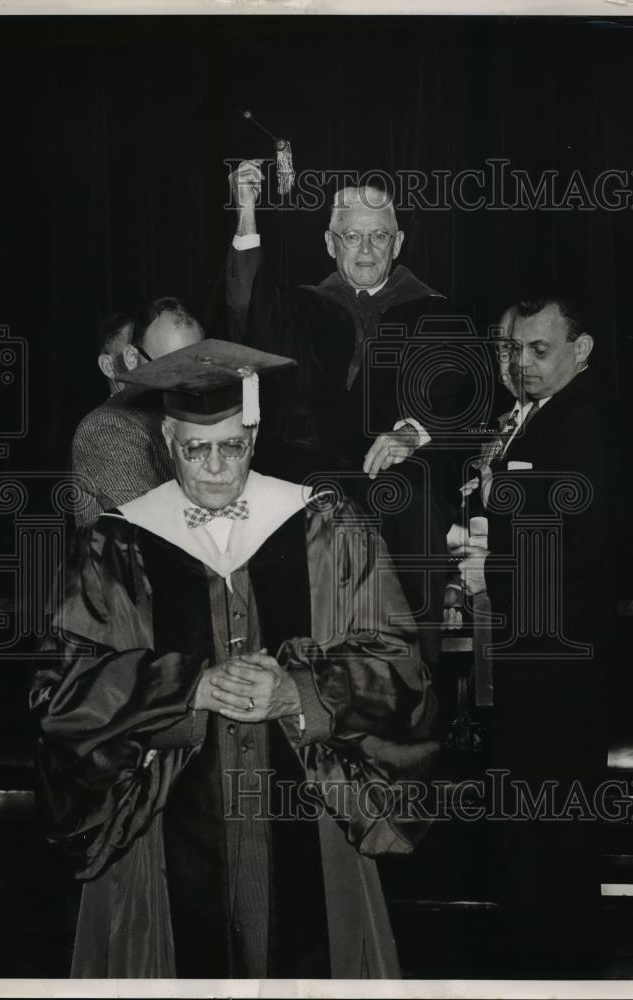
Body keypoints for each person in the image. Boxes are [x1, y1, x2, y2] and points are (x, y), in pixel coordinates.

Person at [31, 339, 438, 979]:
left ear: (254, 433)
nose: (218, 467)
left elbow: (401, 668)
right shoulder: (117, 541)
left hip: (308, 807)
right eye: (197, 449)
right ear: (167, 441)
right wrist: (185, 689)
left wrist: (301, 692)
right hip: (162, 832)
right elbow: (63, 692)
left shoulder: (325, 525)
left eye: (234, 446)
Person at [226, 161, 468, 696]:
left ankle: (416, 686)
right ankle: (293, 685)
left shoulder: (433, 310)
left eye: (378, 235)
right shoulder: (304, 307)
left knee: (415, 495)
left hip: (397, 474)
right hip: (311, 471)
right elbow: (250, 310)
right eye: (352, 236)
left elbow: (456, 392)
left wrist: (411, 433)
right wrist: (247, 210)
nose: (365, 249)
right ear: (330, 243)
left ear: (398, 242)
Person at [451, 294, 616, 976]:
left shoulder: (581, 422)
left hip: (557, 659)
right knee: (533, 818)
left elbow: (583, 547)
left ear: (581, 351)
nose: (521, 363)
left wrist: (491, 570)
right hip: (534, 652)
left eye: (539, 350)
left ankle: (553, 967)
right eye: (515, 350)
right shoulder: (539, 418)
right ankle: (541, 956)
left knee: (548, 827)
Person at [71, 297, 204, 526]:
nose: (183, 381)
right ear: (132, 358)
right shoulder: (106, 427)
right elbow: (157, 530)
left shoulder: (182, 416)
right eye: (169, 366)